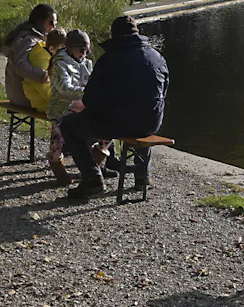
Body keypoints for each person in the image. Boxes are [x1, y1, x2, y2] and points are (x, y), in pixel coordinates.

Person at [58, 15, 169, 200]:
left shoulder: (108, 59)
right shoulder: (157, 57)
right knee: (143, 112)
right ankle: (142, 176)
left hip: (113, 123)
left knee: (69, 125)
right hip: (151, 121)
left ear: (114, 35)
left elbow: (91, 97)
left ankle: (92, 177)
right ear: (137, 33)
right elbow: (163, 90)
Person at [47, 30, 94, 186]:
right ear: (70, 47)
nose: (84, 53)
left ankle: (95, 167)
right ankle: (57, 167)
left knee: (103, 130)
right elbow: (64, 89)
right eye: (81, 49)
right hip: (62, 107)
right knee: (57, 139)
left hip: (83, 107)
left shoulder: (87, 63)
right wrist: (90, 92)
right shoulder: (60, 63)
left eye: (87, 50)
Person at [2, 4, 57, 108]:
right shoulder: (29, 40)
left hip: (17, 93)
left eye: (55, 23)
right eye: (51, 22)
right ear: (40, 21)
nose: (54, 27)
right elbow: (20, 66)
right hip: (22, 96)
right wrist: (43, 75)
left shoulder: (28, 36)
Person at [23, 28, 65, 115]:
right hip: (41, 101)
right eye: (62, 50)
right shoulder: (40, 62)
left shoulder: (51, 56)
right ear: (51, 48)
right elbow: (46, 92)